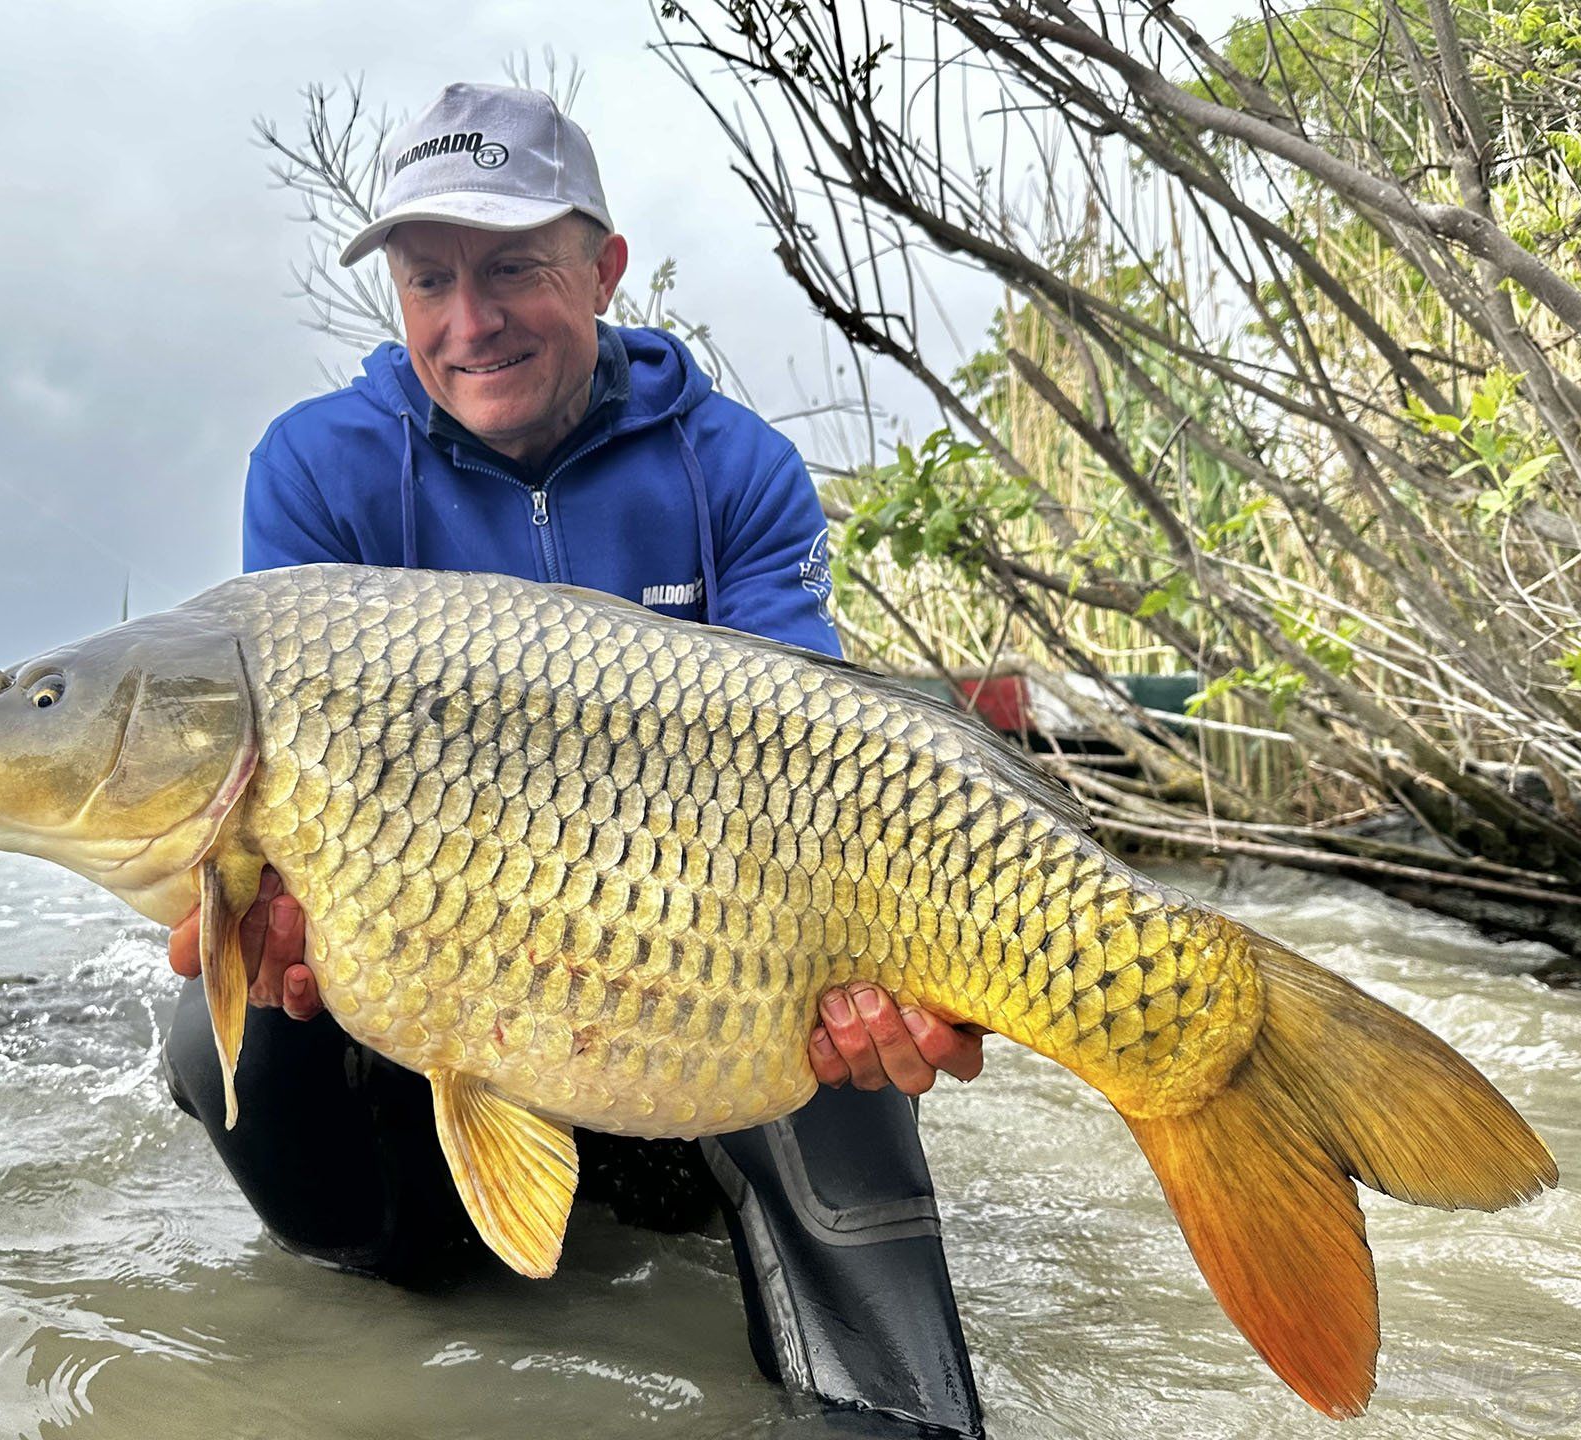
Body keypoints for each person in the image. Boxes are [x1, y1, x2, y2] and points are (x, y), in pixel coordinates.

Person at [162, 82, 989, 1438]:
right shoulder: (318, 472)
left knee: (846, 979)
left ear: (603, 269)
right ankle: (394, 1289)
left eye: (513, 270)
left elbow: (832, 765)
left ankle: (883, 1400)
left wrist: (904, 978)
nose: (467, 322)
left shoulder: (736, 470)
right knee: (220, 1023)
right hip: (462, 971)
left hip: (700, 991)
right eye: (429, 281)